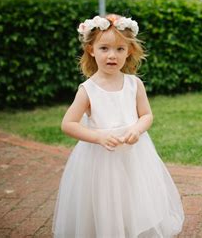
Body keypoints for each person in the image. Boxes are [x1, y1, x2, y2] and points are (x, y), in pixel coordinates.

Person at [53, 14, 184, 237]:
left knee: (133, 196)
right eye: (104, 48)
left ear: (129, 51)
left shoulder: (134, 84)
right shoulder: (88, 89)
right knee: (106, 200)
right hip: (100, 158)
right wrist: (98, 137)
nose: (112, 56)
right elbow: (68, 124)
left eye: (120, 49)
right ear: (91, 50)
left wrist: (137, 128)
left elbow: (146, 115)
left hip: (135, 155)